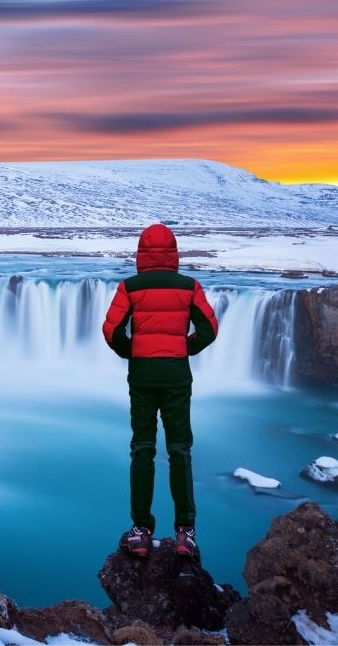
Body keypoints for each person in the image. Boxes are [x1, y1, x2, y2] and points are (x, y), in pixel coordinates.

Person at [101, 223, 218, 559]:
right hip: (177, 376)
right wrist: (185, 348)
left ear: (141, 253)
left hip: (142, 377)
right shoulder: (189, 287)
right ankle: (185, 531)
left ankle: (141, 529)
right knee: (180, 449)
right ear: (173, 252)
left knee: (142, 449)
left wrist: (132, 351)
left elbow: (111, 331)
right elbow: (209, 328)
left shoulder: (130, 287)